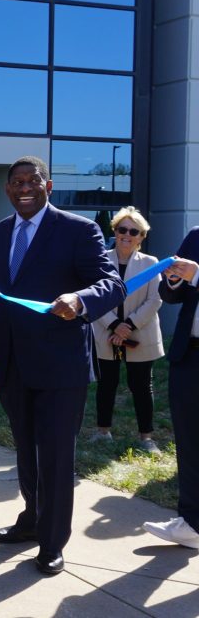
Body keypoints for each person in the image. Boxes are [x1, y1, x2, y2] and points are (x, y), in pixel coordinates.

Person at [0, 156, 125, 575]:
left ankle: (52, 541)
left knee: (56, 458)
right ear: (7, 189)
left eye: (33, 180)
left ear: (48, 185)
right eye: (16, 182)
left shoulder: (78, 230)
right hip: (12, 367)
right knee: (26, 453)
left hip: (61, 369)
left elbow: (111, 284)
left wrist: (80, 301)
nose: (24, 187)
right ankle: (31, 520)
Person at [142, 230, 199, 549]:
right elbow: (172, 293)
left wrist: (197, 274)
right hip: (190, 355)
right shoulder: (195, 237)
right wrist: (175, 279)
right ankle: (191, 523)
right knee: (190, 442)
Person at [89, 207, 163, 452]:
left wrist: (127, 326)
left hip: (139, 333)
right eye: (122, 229)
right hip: (105, 332)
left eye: (134, 231)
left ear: (141, 237)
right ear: (115, 230)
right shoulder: (100, 261)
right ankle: (103, 432)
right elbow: (94, 298)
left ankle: (146, 437)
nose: (127, 235)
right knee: (106, 384)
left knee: (141, 386)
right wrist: (113, 325)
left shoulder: (151, 264)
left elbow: (155, 300)